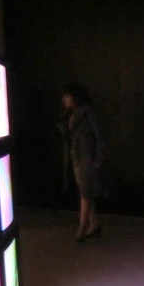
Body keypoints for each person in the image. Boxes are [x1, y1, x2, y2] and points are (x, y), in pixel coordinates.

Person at [57, 83, 107, 243]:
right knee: (85, 192)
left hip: (87, 159)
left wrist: (98, 160)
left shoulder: (88, 112)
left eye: (67, 96)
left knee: (85, 193)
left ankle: (82, 229)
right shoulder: (72, 114)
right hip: (78, 158)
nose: (64, 99)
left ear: (75, 97)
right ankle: (94, 224)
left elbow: (100, 136)